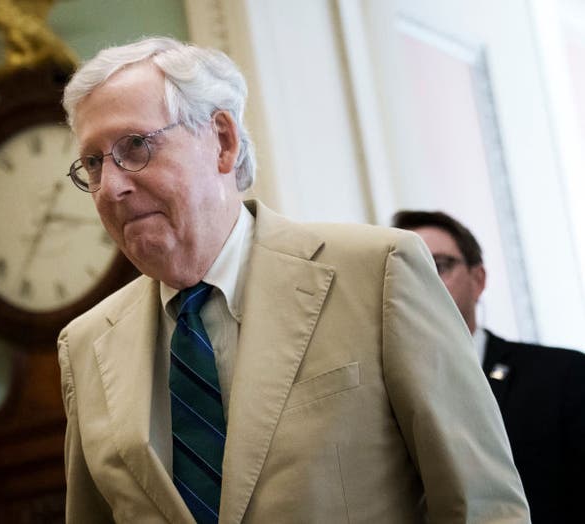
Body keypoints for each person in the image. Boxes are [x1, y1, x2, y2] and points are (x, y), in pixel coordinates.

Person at [56, 36, 528, 523]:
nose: (111, 186)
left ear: (222, 140)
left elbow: (483, 507)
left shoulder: (378, 273)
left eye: (135, 146)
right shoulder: (85, 346)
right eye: (93, 163)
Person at [393, 209, 585, 523]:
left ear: (478, 279)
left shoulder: (562, 375)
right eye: (407, 270)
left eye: (439, 266)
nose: (423, 281)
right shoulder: (376, 397)